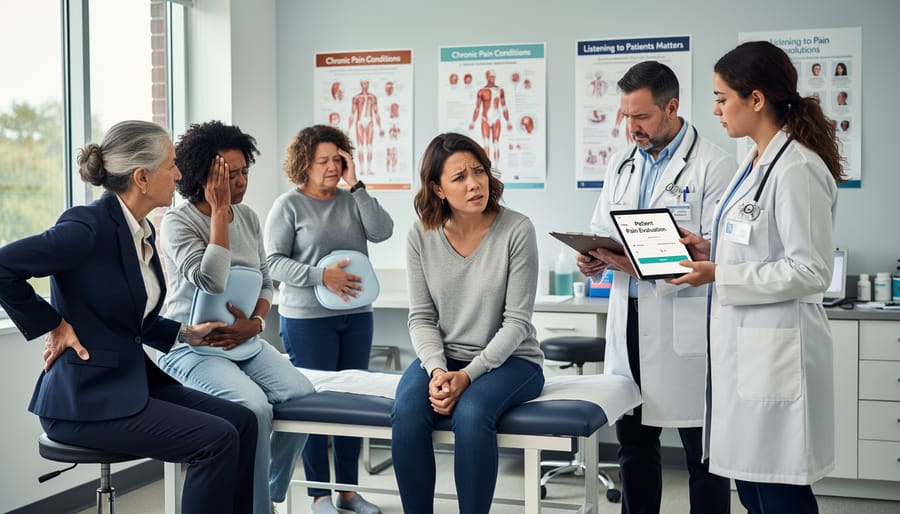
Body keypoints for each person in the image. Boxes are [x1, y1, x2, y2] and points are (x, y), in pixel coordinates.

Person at [0, 120, 257, 514]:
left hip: (128, 384)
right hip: (84, 401)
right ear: (141, 177)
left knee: (243, 421)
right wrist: (54, 324)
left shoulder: (139, 232)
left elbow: (129, 321)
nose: (179, 174)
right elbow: (4, 266)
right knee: (216, 439)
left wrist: (190, 334)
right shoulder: (86, 227)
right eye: (171, 165)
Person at [670, 40, 844, 513]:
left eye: (723, 97)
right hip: (745, 354)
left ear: (757, 99)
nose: (716, 109)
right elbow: (760, 242)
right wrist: (710, 249)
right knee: (751, 489)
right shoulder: (755, 162)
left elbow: (811, 270)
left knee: (776, 494)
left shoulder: (796, 168)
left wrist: (720, 272)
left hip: (775, 356)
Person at [577, 61, 734, 514]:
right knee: (634, 446)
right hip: (627, 325)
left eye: (641, 117)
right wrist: (591, 258)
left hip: (685, 329)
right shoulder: (621, 163)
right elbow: (600, 227)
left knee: (703, 456)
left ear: (671, 107)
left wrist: (641, 262)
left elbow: (716, 255)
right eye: (626, 116)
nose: (632, 128)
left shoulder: (714, 167)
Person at [156, 121, 317, 514]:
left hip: (244, 340)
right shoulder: (178, 222)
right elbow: (210, 281)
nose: (240, 181)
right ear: (203, 178)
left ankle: (269, 489)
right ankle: (257, 508)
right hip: (191, 348)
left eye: (244, 170)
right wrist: (219, 212)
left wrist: (256, 323)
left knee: (303, 395)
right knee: (255, 408)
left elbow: (265, 281)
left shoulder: (247, 217)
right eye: (229, 174)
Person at [391, 132, 544, 514]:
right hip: (446, 359)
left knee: (473, 413)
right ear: (438, 189)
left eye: (479, 171)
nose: (474, 183)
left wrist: (468, 375)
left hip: (513, 362)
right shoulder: (420, 234)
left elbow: (517, 322)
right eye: (459, 177)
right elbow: (422, 317)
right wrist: (439, 369)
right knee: (407, 410)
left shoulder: (517, 229)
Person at [264, 124, 393, 514]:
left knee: (353, 404)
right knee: (315, 406)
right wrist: (324, 276)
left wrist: (358, 187)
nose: (333, 167)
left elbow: (382, 231)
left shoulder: (351, 199)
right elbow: (273, 263)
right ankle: (319, 495)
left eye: (339, 159)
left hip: (356, 316)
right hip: (307, 319)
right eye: (324, 161)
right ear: (304, 164)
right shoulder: (288, 206)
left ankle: (348, 492)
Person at [469, 69, 512, 163]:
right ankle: (487, 167)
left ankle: (496, 166)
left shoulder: (500, 90)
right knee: (486, 143)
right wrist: (473, 122)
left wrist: (508, 121)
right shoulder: (481, 91)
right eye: (491, 76)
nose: (492, 78)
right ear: (487, 77)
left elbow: (504, 107)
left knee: (496, 143)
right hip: (485, 119)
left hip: (496, 118)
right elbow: (477, 108)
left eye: (494, 76)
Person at [347, 79, 384, 176]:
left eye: (367, 83)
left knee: (369, 146)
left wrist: (380, 128)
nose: (365, 85)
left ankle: (369, 168)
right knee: (360, 146)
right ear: (360, 84)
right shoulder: (356, 98)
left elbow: (376, 113)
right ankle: (362, 169)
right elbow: (353, 113)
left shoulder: (373, 97)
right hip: (359, 122)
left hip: (370, 121)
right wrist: (348, 129)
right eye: (363, 83)